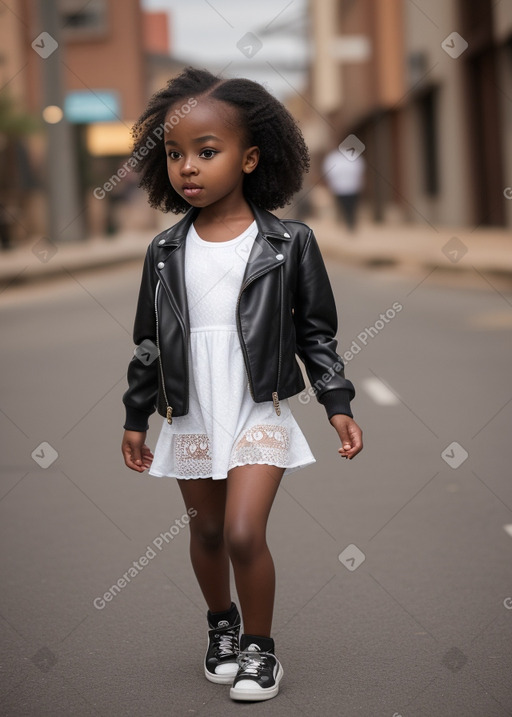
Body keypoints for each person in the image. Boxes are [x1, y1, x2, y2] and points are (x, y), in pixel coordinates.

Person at [121, 67, 363, 703]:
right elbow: (148, 341)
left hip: (260, 403)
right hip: (190, 407)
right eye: (175, 155)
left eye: (207, 151)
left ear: (251, 158)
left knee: (242, 531)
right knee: (204, 532)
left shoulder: (289, 243)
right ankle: (221, 627)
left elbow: (316, 334)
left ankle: (260, 649)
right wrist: (135, 415)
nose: (188, 167)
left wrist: (337, 403)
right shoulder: (166, 251)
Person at [323, 144, 365, 231]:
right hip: (340, 188)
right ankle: (347, 222)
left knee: (351, 206)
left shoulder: (353, 157)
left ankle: (350, 222)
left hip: (351, 187)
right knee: (345, 206)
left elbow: (360, 171)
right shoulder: (334, 158)